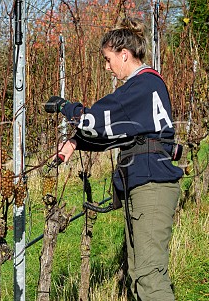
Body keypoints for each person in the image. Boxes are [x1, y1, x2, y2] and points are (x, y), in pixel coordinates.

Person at [44, 17, 184, 300]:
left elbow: (93, 119)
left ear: (124, 54)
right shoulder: (146, 88)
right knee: (139, 274)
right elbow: (120, 135)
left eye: (108, 60)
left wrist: (63, 106)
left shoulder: (141, 87)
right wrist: (75, 142)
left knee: (149, 277)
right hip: (146, 181)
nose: (107, 67)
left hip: (151, 185)